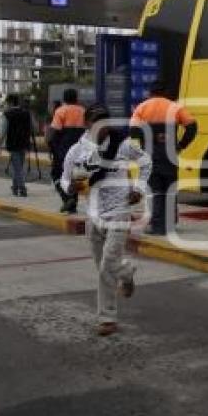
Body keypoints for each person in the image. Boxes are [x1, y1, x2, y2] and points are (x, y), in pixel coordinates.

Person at [61, 103, 152, 337]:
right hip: (92, 213)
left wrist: (139, 189)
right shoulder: (76, 151)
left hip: (119, 211)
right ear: (87, 124)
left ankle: (107, 318)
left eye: (105, 120)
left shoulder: (121, 144)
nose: (102, 125)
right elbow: (64, 179)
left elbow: (146, 162)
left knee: (105, 267)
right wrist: (69, 187)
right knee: (104, 267)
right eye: (96, 120)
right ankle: (127, 271)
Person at [129, 82, 198, 236]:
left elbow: (133, 131)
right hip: (171, 155)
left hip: (150, 155)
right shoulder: (175, 107)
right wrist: (181, 145)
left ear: (150, 93)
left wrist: (151, 138)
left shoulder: (142, 107)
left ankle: (159, 226)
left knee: (156, 190)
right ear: (164, 92)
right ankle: (171, 222)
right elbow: (193, 126)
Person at [49, 89, 86, 214]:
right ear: (76, 98)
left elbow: (55, 132)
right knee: (73, 177)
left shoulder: (61, 111)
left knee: (57, 175)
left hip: (64, 150)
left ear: (64, 99)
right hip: (80, 150)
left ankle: (67, 199)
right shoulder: (83, 111)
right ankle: (73, 205)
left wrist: (52, 148)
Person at [0, 94, 33, 197]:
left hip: (13, 144)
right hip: (24, 144)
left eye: (7, 103)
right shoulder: (26, 113)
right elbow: (31, 129)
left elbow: (2, 133)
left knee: (17, 168)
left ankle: (22, 188)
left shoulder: (7, 114)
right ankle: (15, 187)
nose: (6, 105)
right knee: (18, 166)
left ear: (10, 102)